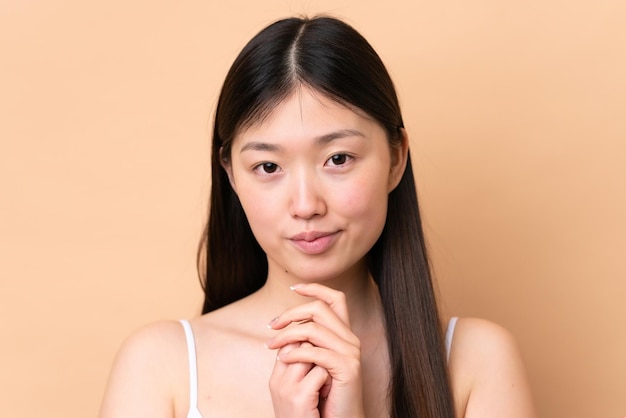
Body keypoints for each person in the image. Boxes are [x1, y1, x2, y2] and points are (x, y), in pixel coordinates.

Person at [99, 15, 536, 418]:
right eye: (268, 167)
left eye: (338, 158)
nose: (306, 204)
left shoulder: (476, 361)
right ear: (231, 174)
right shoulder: (161, 367)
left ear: (396, 159)